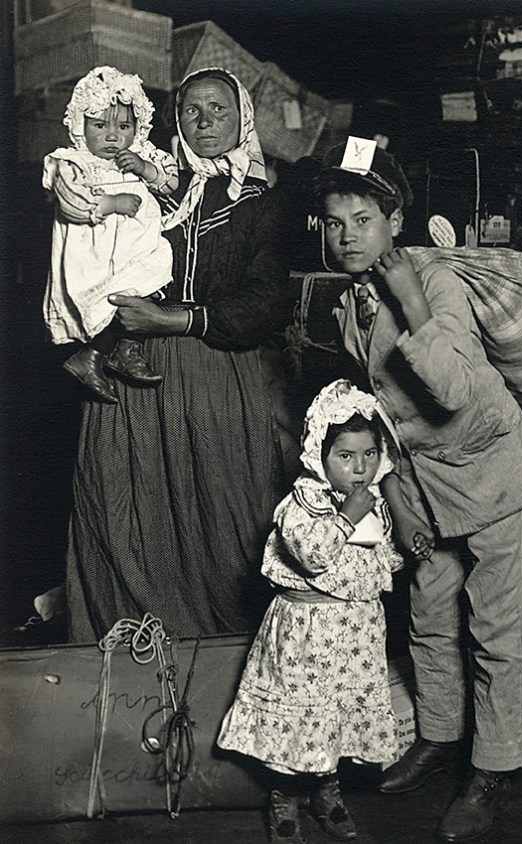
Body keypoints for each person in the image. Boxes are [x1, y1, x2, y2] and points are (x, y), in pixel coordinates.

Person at [314, 138, 522, 842]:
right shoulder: (347, 303)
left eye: (361, 219)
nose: (347, 236)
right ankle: (441, 736)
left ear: (394, 218)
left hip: (491, 473)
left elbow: (449, 386)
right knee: (427, 615)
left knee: (496, 632)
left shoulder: (436, 279)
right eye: (334, 223)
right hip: (423, 485)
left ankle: (493, 769)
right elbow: (379, 418)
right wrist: (395, 503)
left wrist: (412, 296)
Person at [64, 66, 294, 642]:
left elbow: (269, 302)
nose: (205, 121)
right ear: (175, 121)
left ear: (243, 118)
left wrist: (176, 318)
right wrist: (76, 206)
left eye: (219, 109)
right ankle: (129, 649)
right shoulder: (144, 185)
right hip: (131, 374)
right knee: (124, 507)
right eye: (192, 110)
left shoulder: (262, 203)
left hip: (215, 371)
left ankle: (227, 659)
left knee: (224, 517)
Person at [218, 378, 413, 844]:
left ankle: (328, 792)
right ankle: (284, 795)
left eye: (368, 455)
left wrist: (403, 545)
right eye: (345, 456)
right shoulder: (303, 504)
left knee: (338, 718)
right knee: (303, 719)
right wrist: (346, 517)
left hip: (355, 634)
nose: (359, 468)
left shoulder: (377, 502)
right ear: (320, 456)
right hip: (306, 633)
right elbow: (313, 555)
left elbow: (380, 560)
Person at [43, 65, 179, 403]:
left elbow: (173, 182)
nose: (112, 136)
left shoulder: (141, 154)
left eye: (124, 126)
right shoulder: (73, 162)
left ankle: (122, 349)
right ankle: (93, 353)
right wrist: (110, 202)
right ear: (80, 125)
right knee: (112, 299)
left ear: (138, 128)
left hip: (137, 245)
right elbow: (71, 202)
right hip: (96, 250)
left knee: (153, 279)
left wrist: (146, 169)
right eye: (99, 125)